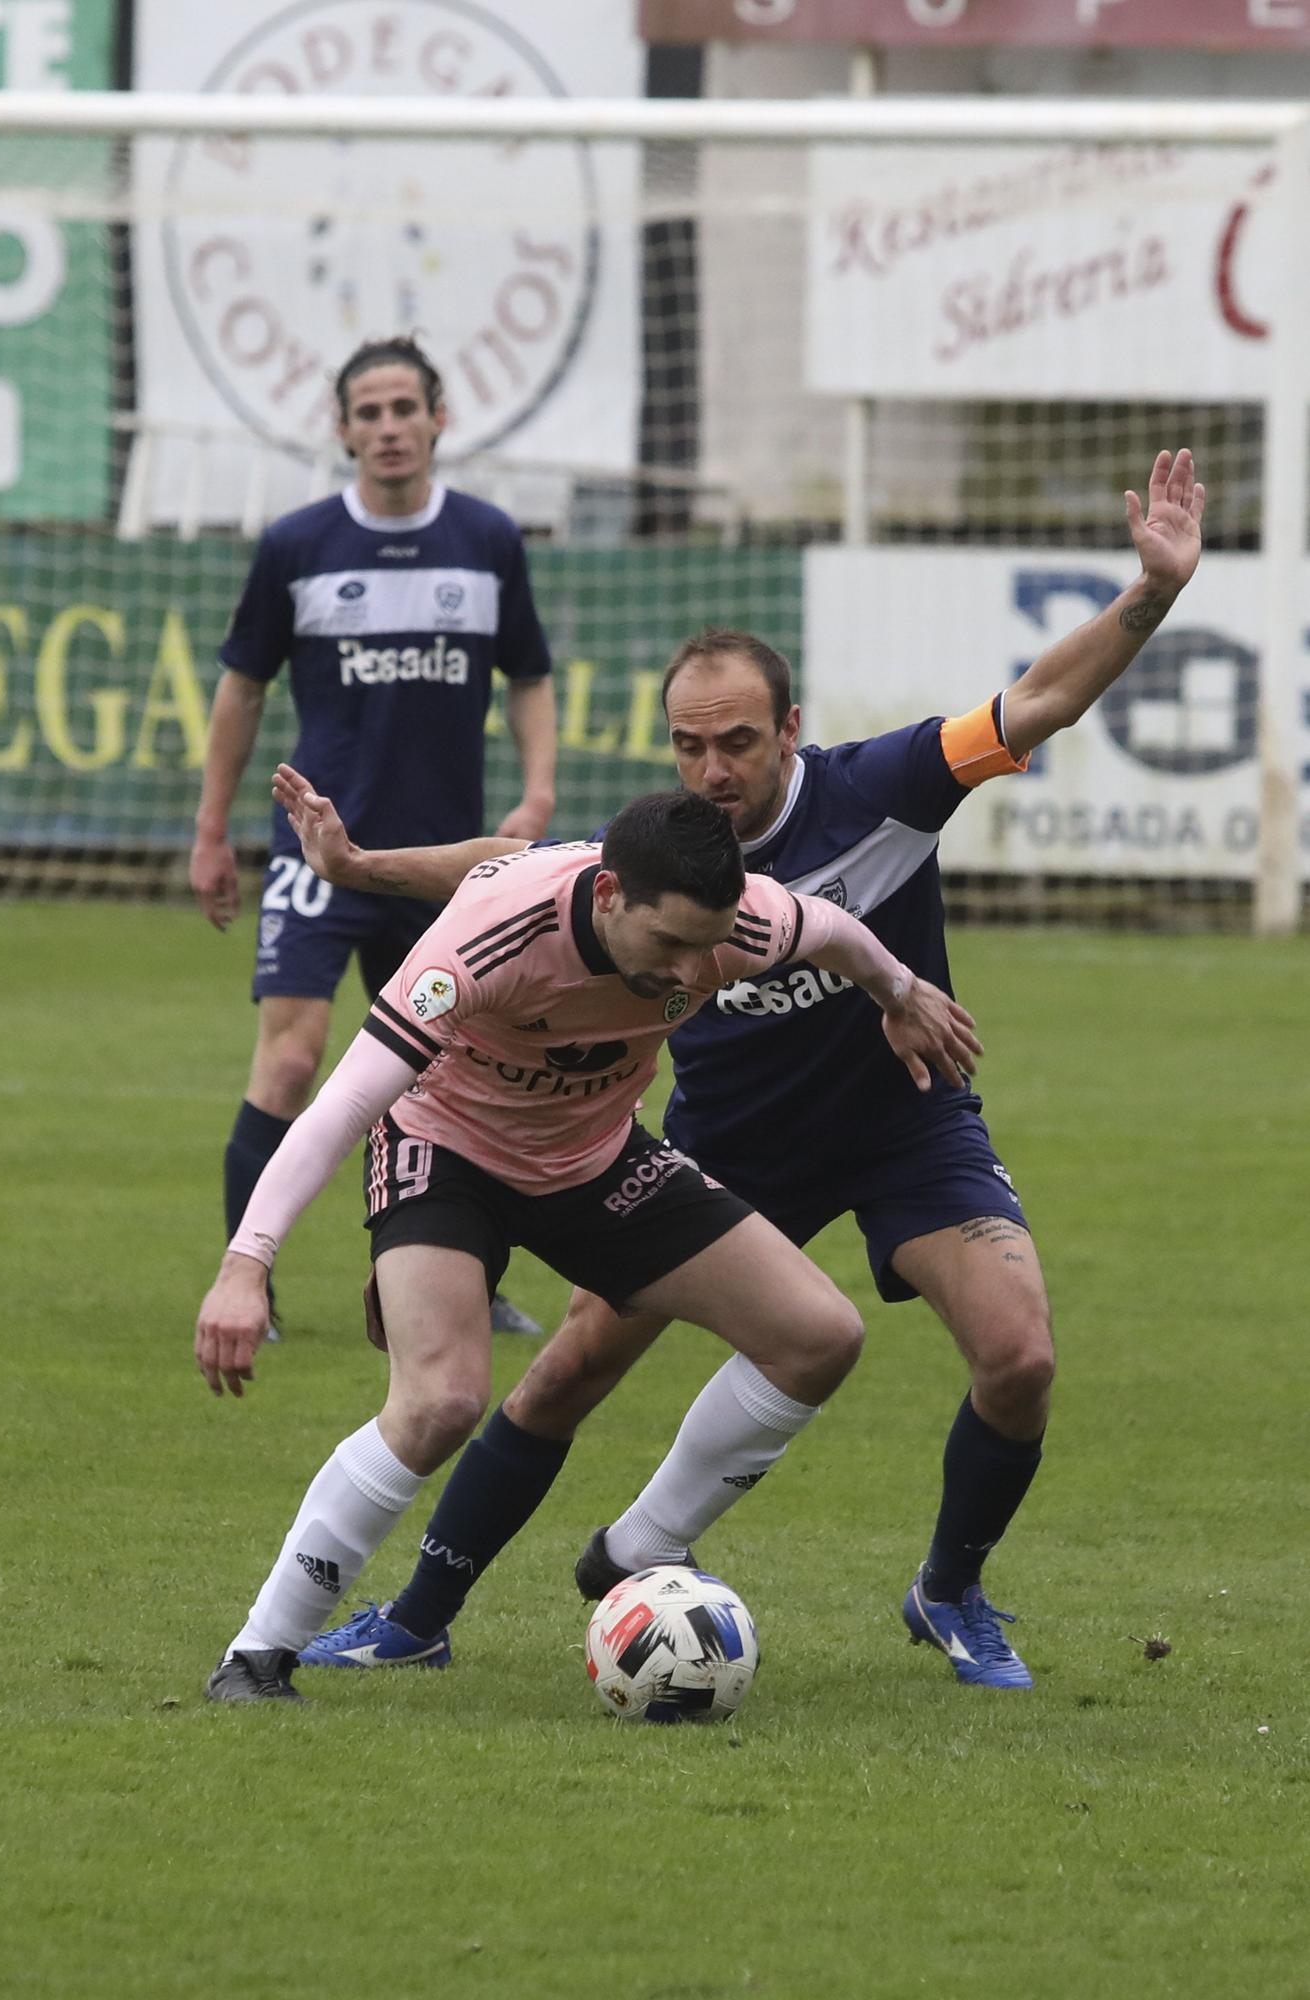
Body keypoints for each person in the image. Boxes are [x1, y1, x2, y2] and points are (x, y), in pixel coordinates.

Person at [282, 446, 1205, 1690]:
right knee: (566, 1368)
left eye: (733, 742)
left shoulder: (886, 786)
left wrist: (1147, 595)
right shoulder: (668, 848)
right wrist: (360, 864)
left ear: (788, 730)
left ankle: (940, 1588)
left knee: (1020, 1353)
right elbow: (509, 864)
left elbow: (1038, 699)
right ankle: (417, 1611)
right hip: (719, 1139)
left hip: (901, 1124)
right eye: (686, 746)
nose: (710, 770)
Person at [196, 791, 982, 1701]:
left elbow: (837, 932)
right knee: (442, 1401)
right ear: (607, 894)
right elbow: (341, 1107)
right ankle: (257, 1655)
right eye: (672, 945)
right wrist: (246, 1263)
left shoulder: (740, 924)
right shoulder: (487, 945)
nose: (697, 967)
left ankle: (640, 1546)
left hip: (595, 1159)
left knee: (820, 1335)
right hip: (446, 1152)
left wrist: (899, 994)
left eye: (710, 943)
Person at [188, 333, 555, 1339]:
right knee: (293, 1059)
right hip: (318, 850)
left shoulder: (485, 539)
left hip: (440, 867)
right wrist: (212, 827)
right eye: (369, 412)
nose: (388, 428)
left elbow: (528, 676)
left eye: (405, 408)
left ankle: (463, 1282)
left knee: (460, 1068)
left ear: (439, 418)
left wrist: (534, 795)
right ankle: (247, 1285)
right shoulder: (299, 544)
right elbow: (242, 687)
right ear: (343, 428)